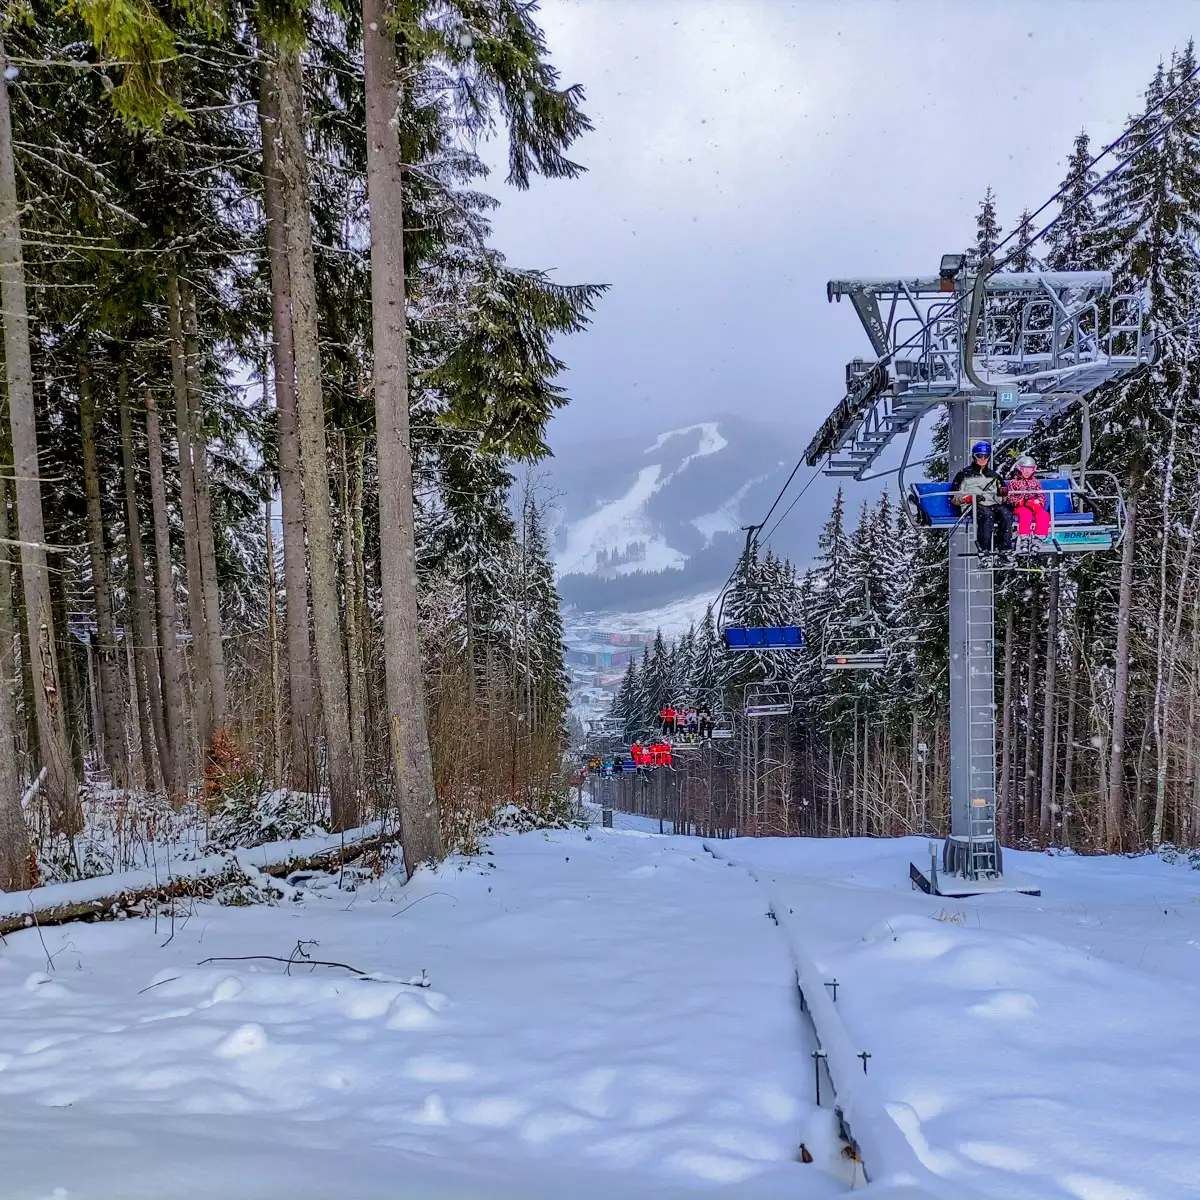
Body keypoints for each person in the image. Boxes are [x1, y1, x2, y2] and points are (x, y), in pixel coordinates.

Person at [950, 440, 1012, 554]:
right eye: (980, 456)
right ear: (974, 456)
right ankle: (985, 549)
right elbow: (954, 497)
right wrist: (968, 499)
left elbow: (1003, 500)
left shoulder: (994, 476)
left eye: (986, 456)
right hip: (972, 506)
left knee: (1006, 514)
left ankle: (1005, 548)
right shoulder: (964, 475)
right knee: (987, 515)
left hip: (992, 504)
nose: (983, 459)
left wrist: (1003, 495)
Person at [1006, 454, 1051, 552]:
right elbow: (1010, 497)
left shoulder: (1035, 482)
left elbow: (1041, 495)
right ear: (1019, 469)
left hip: (1033, 505)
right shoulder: (1014, 482)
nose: (1027, 472)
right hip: (1020, 506)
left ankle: (1038, 537)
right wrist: (1022, 501)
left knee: (1043, 514)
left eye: (1030, 470)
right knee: (1026, 514)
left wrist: (1038, 503)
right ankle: (1024, 537)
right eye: (1025, 469)